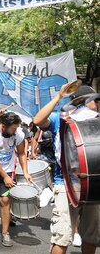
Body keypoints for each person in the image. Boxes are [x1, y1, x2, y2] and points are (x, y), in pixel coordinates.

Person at [33, 83, 100, 254]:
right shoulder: (61, 119)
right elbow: (38, 120)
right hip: (65, 183)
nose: (97, 104)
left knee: (91, 237)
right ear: (85, 101)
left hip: (94, 184)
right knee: (61, 237)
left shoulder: (97, 121)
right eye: (95, 100)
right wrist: (58, 97)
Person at [0, 112, 32, 247]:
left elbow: (21, 153)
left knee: (5, 200)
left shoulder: (18, 134)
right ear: (3, 125)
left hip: (7, 171)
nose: (15, 131)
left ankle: (5, 233)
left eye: (16, 128)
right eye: (13, 129)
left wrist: (25, 172)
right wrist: (5, 176)